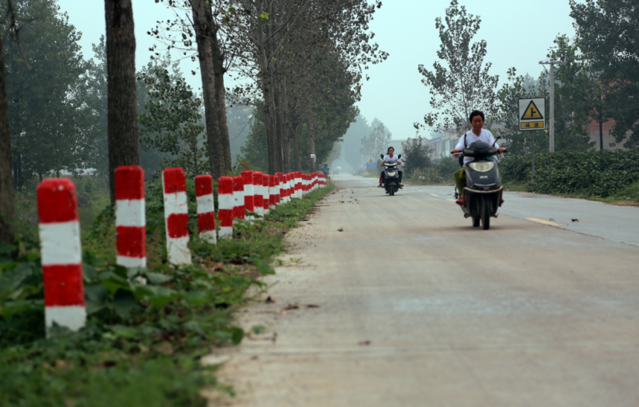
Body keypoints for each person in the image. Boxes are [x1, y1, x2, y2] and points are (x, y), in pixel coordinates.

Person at [451, 110, 505, 205]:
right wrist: (456, 150)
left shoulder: (487, 134)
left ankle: (498, 194)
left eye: (479, 121)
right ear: (471, 122)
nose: (477, 123)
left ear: (483, 122)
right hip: (470, 164)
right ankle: (462, 195)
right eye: (475, 121)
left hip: (488, 162)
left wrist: (499, 149)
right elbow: (459, 146)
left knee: (497, 170)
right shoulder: (465, 136)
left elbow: (493, 144)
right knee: (458, 175)